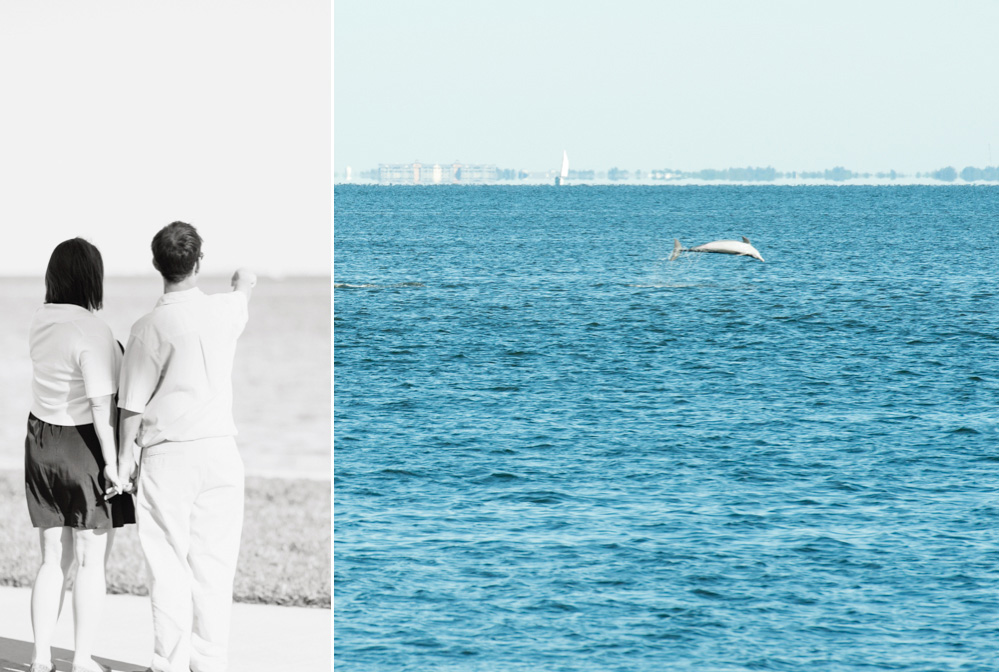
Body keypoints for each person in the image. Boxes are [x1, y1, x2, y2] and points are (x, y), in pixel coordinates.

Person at [116, 221, 256, 672]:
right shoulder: (224, 312)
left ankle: (169, 663)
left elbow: (132, 407)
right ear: (198, 263)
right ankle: (210, 662)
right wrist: (244, 280)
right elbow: (242, 293)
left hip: (168, 455)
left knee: (168, 566)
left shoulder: (147, 328)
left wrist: (124, 460)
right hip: (220, 453)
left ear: (157, 265)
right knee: (214, 568)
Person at [25, 238, 136, 672]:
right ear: (93, 278)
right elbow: (99, 404)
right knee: (90, 561)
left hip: (39, 441)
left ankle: (38, 659)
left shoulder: (40, 319)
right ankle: (82, 659)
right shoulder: (93, 329)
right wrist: (112, 462)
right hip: (83, 444)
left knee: (52, 559)